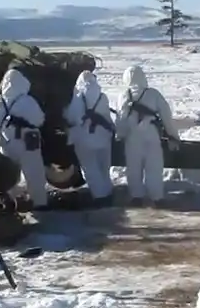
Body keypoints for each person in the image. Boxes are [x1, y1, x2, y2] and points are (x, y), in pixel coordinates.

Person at [114, 65, 180, 207]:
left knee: (133, 167)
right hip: (151, 135)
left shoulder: (123, 96)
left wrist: (120, 135)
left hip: (132, 137)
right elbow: (166, 116)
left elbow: (121, 119)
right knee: (154, 167)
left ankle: (136, 196)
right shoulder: (153, 94)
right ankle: (156, 197)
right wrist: (173, 135)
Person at [0, 68, 48, 209]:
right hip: (28, 142)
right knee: (34, 173)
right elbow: (39, 120)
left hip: (7, 143)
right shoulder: (28, 101)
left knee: (9, 174)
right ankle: (39, 203)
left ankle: (12, 202)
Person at [64, 71, 115, 207]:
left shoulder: (77, 98)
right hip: (103, 137)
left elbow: (72, 117)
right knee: (104, 168)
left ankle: (100, 197)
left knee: (91, 169)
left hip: (84, 139)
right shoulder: (102, 97)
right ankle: (108, 192)